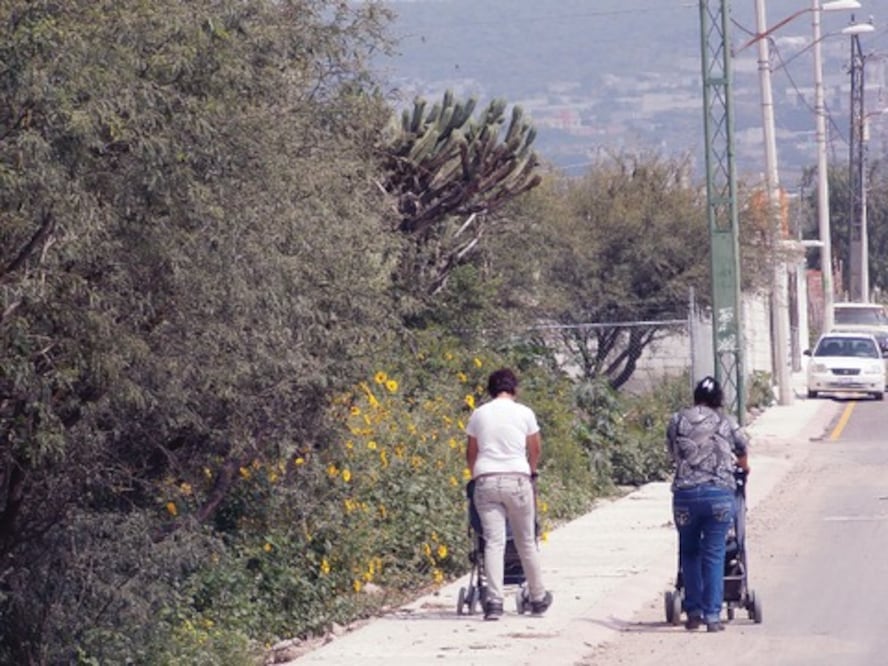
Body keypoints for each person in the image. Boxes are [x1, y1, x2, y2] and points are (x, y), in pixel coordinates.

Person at [465, 367, 553, 621]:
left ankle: (493, 602)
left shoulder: (479, 414)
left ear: (491, 390)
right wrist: (532, 470)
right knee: (526, 541)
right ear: (514, 389)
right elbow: (534, 447)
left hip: (486, 481)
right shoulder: (524, 413)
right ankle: (537, 598)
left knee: (494, 542)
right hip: (517, 479)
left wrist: (476, 475)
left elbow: (471, 451)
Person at [666, 375, 750, 633]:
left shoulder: (677, 420)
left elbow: (673, 451)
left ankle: (693, 613)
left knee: (690, 553)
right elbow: (743, 449)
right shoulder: (727, 422)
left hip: (686, 497)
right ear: (719, 400)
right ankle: (713, 617)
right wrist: (742, 467)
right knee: (714, 554)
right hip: (719, 497)